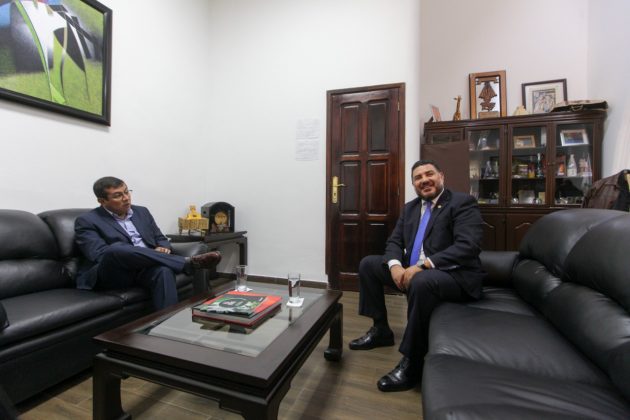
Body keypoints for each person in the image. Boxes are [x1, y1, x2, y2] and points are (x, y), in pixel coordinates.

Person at [349, 160, 485, 392]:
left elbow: (468, 246)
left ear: (441, 176)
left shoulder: (462, 203)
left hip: (454, 276)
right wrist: (395, 266)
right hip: (415, 272)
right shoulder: (410, 208)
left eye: (429, 174)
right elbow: (394, 242)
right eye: (418, 177)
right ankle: (381, 330)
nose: (424, 180)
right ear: (413, 184)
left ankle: (413, 361)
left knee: (421, 280)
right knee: (369, 264)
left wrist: (423, 266)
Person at [75, 176, 222, 310]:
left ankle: (168, 322)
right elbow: (99, 254)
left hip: (146, 267)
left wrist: (163, 247)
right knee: (116, 248)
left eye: (126, 192)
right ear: (102, 201)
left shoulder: (141, 212)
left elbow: (160, 237)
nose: (126, 198)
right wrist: (151, 253)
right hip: (115, 273)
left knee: (163, 271)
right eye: (118, 195)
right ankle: (185, 263)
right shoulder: (87, 220)